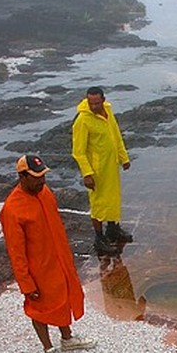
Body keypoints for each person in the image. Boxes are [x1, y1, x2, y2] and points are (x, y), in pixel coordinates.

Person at [0, 153, 97, 353]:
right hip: (38, 269)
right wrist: (26, 283)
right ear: (22, 176)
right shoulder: (12, 209)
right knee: (39, 308)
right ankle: (48, 350)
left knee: (63, 297)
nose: (42, 180)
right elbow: (16, 253)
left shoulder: (45, 193)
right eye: (36, 176)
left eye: (43, 175)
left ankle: (67, 338)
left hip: (59, 259)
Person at [72, 86, 132, 255]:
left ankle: (113, 229)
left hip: (111, 165)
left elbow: (116, 135)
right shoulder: (82, 120)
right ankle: (99, 239)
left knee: (113, 198)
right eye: (91, 103)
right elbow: (78, 151)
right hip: (97, 170)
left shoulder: (108, 110)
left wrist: (124, 158)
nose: (94, 107)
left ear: (103, 100)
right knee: (98, 204)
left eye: (97, 103)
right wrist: (87, 174)